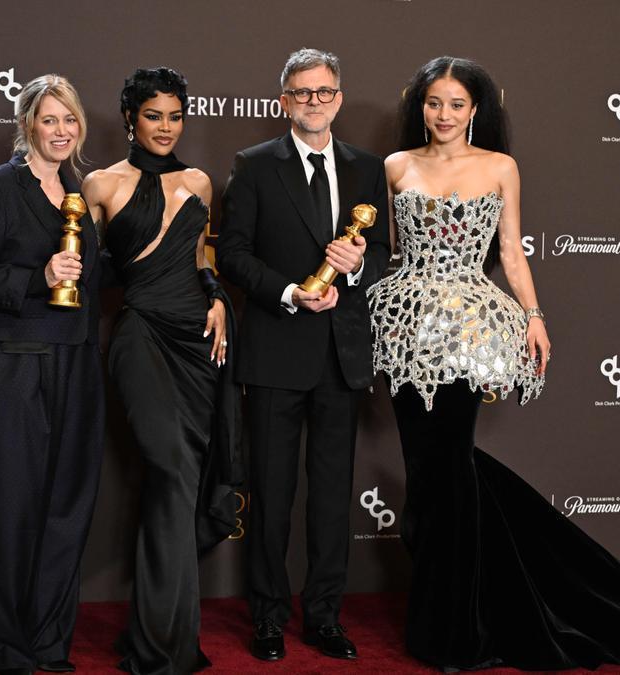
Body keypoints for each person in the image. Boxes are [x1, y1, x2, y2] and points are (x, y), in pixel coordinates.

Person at [369, 56, 620, 673]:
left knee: (449, 468)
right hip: (405, 326)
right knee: (429, 471)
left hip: (467, 330)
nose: (445, 115)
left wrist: (534, 316)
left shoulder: (500, 167)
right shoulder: (395, 166)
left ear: (477, 109)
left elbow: (511, 250)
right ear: (420, 106)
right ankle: (454, 617)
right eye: (434, 103)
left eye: (457, 104)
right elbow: (391, 249)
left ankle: (455, 631)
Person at [217, 48, 391, 663]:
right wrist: (291, 292)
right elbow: (233, 254)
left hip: (341, 358)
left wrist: (360, 266)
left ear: (338, 98)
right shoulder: (255, 165)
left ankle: (323, 616)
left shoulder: (368, 168)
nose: (313, 102)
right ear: (283, 100)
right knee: (270, 494)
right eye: (300, 92)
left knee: (329, 496)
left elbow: (389, 256)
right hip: (275, 352)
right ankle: (267, 617)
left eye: (323, 92)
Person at [82, 66, 242, 675]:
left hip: (198, 342)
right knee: (170, 470)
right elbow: (90, 270)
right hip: (142, 335)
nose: (166, 128)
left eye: (176, 117)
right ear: (130, 117)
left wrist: (220, 297)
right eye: (154, 116)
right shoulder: (99, 185)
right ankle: (162, 645)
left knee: (180, 486)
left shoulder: (200, 181)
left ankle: (156, 635)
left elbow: (204, 253)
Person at [0, 75, 104, 675]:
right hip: (16, 361)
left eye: (70, 120)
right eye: (49, 120)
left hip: (77, 358)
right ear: (26, 125)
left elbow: (98, 273)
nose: (61, 131)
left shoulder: (76, 189)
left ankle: (48, 641)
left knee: (66, 505)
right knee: (14, 502)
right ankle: (11, 645)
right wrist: (35, 278)